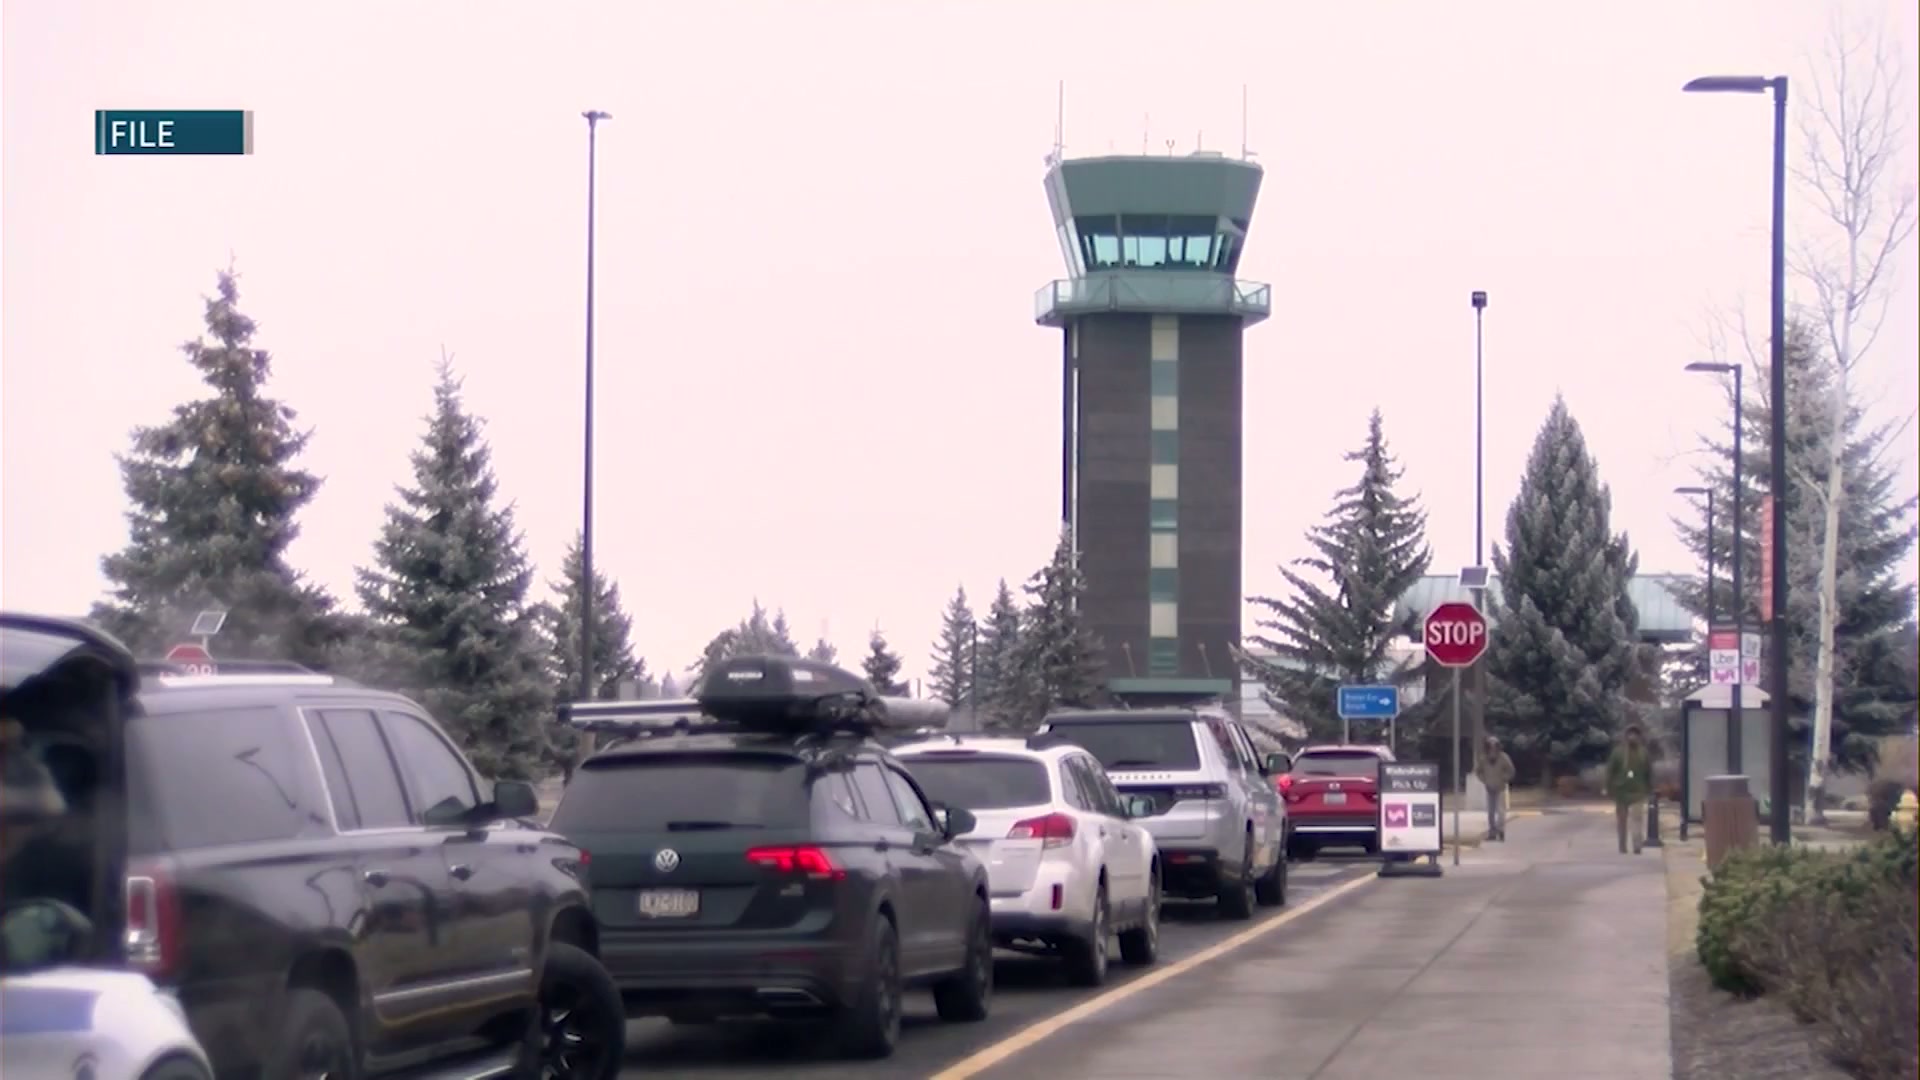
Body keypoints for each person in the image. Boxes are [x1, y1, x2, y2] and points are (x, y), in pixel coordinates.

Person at [1605, 723, 1653, 854]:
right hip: (1621, 792)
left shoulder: (1643, 753)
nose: (1633, 736)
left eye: (1636, 734)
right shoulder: (1618, 752)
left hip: (1638, 792)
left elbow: (1649, 772)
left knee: (1637, 819)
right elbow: (1610, 771)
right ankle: (1622, 845)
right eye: (1630, 734)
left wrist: (1650, 789)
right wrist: (1607, 788)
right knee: (1622, 821)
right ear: (1626, 736)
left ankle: (1637, 845)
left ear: (1639, 736)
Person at [1475, 735, 1516, 841]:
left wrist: (1504, 779)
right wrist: (1484, 780)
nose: (1492, 748)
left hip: (1500, 787)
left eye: (1494, 746)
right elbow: (1478, 771)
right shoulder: (1483, 758)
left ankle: (1501, 830)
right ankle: (1492, 833)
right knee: (1490, 812)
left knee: (1501, 811)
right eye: (1490, 746)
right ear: (1487, 747)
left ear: (1498, 747)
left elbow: (1511, 770)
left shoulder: (1503, 757)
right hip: (1489, 788)